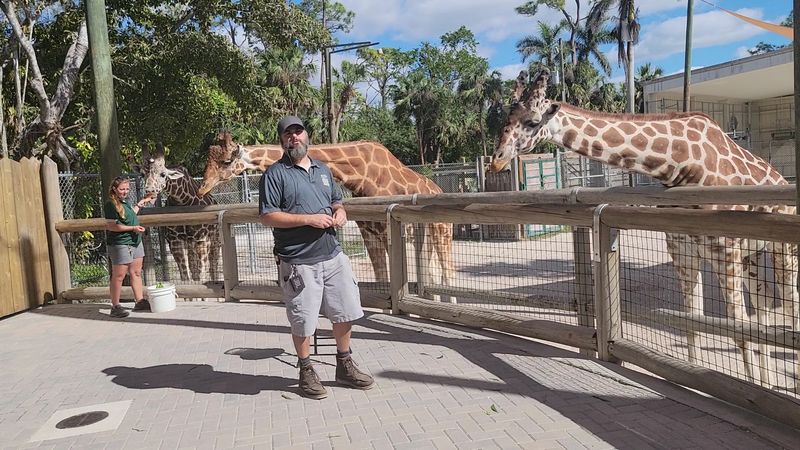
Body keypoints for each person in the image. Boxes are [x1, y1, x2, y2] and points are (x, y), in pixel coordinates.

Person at [259, 116, 375, 399]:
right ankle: (305, 370)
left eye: (298, 132)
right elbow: (267, 215)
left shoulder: (323, 170)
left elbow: (336, 199)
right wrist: (308, 219)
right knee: (303, 320)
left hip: (333, 255)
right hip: (299, 261)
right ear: (282, 141)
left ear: (307, 136)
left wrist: (340, 211)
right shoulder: (275, 175)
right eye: (288, 133)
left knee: (345, 311)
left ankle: (344, 363)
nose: (294, 137)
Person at [104, 176, 155, 318]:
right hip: (121, 243)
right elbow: (112, 226)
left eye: (127, 189)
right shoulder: (111, 204)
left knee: (136, 272)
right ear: (114, 189)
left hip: (135, 241)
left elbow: (129, 214)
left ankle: (139, 301)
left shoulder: (124, 203)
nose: (125, 191)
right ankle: (115, 306)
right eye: (122, 189)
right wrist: (133, 228)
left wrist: (141, 203)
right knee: (119, 275)